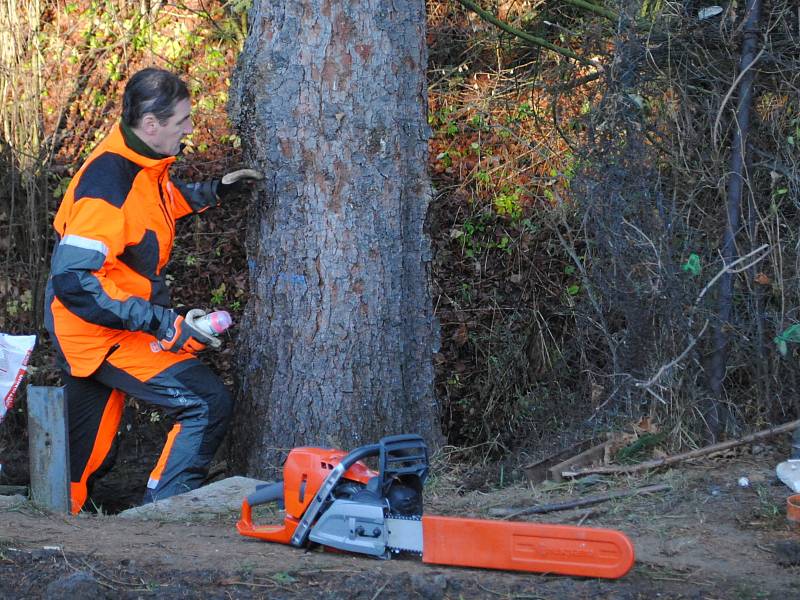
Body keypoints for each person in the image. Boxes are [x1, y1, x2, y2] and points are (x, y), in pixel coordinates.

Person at [43, 67, 262, 513]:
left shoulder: (141, 162)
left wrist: (211, 192)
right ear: (151, 125)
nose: (189, 129)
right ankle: (164, 516)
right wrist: (162, 323)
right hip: (96, 329)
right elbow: (75, 283)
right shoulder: (107, 185)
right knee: (206, 402)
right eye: (182, 121)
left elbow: (150, 209)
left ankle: (62, 517)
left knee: (81, 462)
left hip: (111, 321)